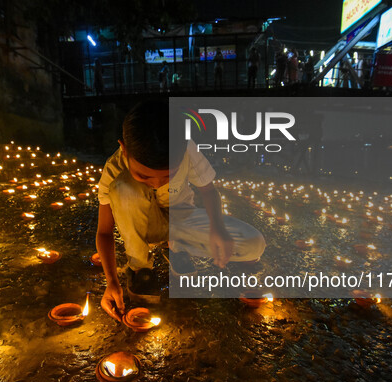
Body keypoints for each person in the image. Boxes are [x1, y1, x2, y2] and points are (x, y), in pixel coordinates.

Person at [96, 101, 266, 319]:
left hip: (181, 219)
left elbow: (208, 190)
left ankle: (175, 247)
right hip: (145, 226)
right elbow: (104, 232)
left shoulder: (186, 150)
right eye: (145, 176)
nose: (157, 183)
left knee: (254, 244)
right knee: (122, 187)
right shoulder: (113, 168)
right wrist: (111, 282)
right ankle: (140, 267)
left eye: (168, 176)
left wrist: (217, 227)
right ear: (124, 149)